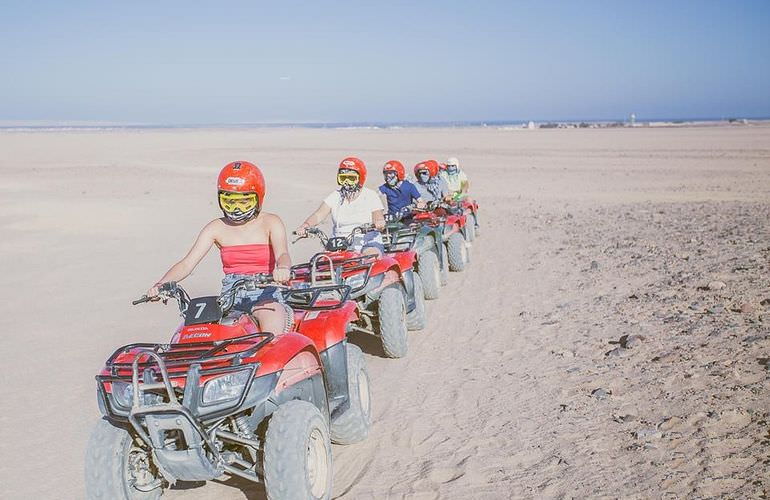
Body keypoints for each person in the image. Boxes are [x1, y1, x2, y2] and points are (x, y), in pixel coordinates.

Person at [146, 161, 292, 334]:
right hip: (229, 297)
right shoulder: (216, 227)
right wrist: (162, 284)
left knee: (272, 334)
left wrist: (283, 268)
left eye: (244, 202)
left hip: (266, 294)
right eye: (229, 202)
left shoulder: (271, 222)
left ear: (258, 197)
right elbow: (187, 264)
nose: (236, 209)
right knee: (200, 334)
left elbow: (282, 253)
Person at [295, 157, 386, 255]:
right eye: (343, 178)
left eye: (351, 178)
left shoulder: (370, 195)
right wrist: (306, 226)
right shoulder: (335, 196)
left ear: (360, 178)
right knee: (322, 263)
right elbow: (319, 214)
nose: (346, 182)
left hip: (366, 242)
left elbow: (378, 215)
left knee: (371, 257)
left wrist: (379, 223)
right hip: (339, 243)